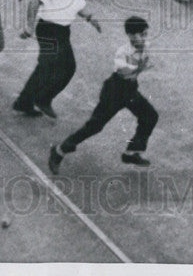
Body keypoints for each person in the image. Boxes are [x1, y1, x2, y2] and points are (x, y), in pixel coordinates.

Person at [49, 16, 158, 172]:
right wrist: (141, 67)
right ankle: (59, 150)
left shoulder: (145, 46)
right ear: (131, 35)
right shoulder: (123, 51)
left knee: (150, 116)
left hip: (130, 90)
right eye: (141, 34)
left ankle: (132, 152)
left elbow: (145, 64)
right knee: (95, 126)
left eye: (145, 34)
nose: (144, 38)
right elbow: (124, 71)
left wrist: (141, 65)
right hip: (114, 91)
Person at [14, 0, 100, 118]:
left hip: (62, 31)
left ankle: (30, 101)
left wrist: (90, 18)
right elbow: (35, 0)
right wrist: (29, 27)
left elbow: (77, 5)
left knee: (68, 67)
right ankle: (37, 100)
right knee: (47, 65)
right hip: (48, 29)